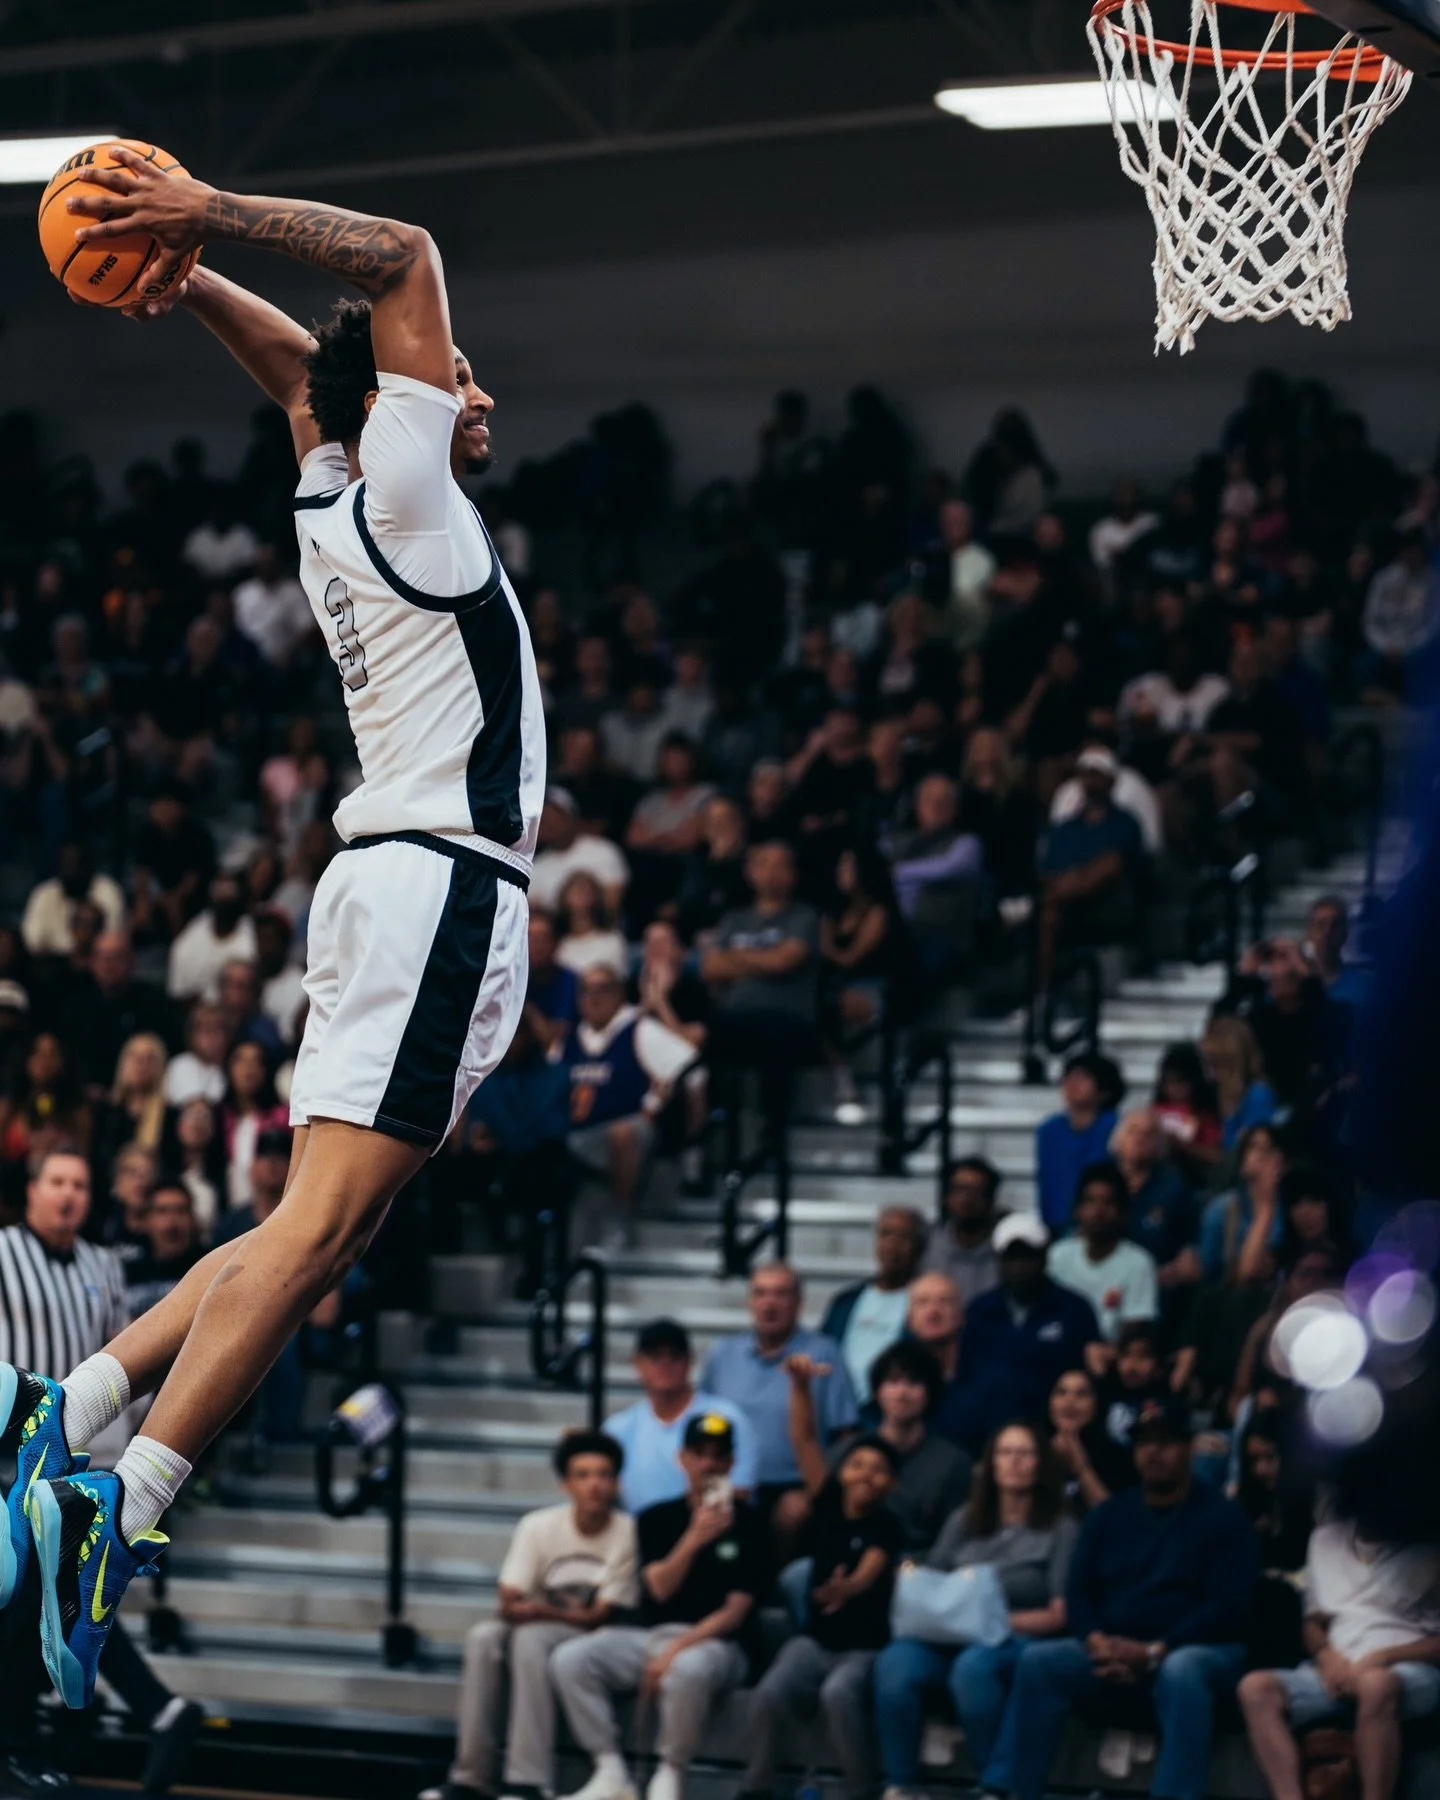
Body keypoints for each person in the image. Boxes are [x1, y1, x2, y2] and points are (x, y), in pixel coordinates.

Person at [4, 149, 548, 1704]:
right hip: (440, 885)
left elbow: (299, 374)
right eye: (453, 373)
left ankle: (77, 1402)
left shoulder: (335, 485)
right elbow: (404, 252)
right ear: (411, 394)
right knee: (313, 1241)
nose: (476, 385)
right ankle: (121, 1499)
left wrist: (190, 289)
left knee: (320, 1228)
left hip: (390, 880)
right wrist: (206, 218)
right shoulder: (413, 495)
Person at [0, 1150, 204, 1791]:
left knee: (44, 1596)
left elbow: (126, 1352)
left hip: (90, 1454)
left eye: (80, 1184)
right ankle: (153, 1709)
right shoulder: (3, 1251)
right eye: (56, 1182)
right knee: (35, 1597)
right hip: (12, 1454)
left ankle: (25, 1744)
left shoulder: (103, 1264)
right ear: (32, 1191)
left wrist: (141, 1447)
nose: (68, 1195)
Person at [986, 1396, 1259, 1800]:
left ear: (1188, 1447)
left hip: (1194, 1649)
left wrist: (1154, 1651)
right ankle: (1010, 1790)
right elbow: (1078, 1592)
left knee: (1183, 1670)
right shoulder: (1110, 1514)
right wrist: (1095, 1640)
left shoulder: (1222, 1517)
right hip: (1112, 1649)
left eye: (1166, 1441)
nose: (1154, 1451)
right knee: (1040, 1661)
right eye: (1144, 1442)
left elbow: (1228, 1606)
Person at [552, 1414, 763, 1800]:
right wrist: (694, 1538)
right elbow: (658, 1589)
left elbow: (735, 1611)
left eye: (718, 1456)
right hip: (653, 1633)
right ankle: (610, 1769)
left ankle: (670, 1772)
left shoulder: (750, 1523)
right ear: (682, 1459)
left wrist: (674, 1651)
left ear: (732, 1464)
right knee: (572, 1658)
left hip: (719, 1643)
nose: (709, 1464)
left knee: (687, 1668)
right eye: (699, 1454)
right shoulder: (655, 1518)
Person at [422, 1431, 639, 1800]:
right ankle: (470, 1777)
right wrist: (520, 1607)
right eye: (583, 1475)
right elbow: (508, 1599)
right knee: (483, 1637)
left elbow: (598, 1617)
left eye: (603, 1475)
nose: (594, 1485)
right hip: (541, 1621)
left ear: (617, 1482)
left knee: (529, 1639)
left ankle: (528, 1781)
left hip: (589, 1634)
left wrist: (537, 1609)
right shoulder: (537, 1525)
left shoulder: (626, 1531)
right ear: (565, 1484)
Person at [873, 1421, 1078, 1800]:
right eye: (1005, 1452)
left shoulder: (1061, 1528)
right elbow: (933, 1583)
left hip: (1015, 1634)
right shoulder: (965, 1519)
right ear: (991, 1464)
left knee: (973, 1668)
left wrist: (988, 1621)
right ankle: (901, 1783)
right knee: (896, 1662)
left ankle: (996, 1786)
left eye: (1025, 1453)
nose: (1014, 1462)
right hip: (950, 1630)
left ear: (1041, 1464)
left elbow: (1059, 1614)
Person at [737, 1376, 903, 1800]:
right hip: (815, 1640)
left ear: (891, 1484)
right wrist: (798, 1387)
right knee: (769, 1693)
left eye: (879, 1470)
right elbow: (803, 1437)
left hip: (865, 1647)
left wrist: (849, 1587)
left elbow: (873, 1567)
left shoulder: (887, 1526)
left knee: (838, 1694)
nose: (867, 1474)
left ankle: (861, 1789)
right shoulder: (827, 1504)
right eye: (858, 1464)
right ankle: (755, 1788)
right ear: (843, 1471)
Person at [1240, 1515, 1440, 1800]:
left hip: (1409, 1669)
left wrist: (1383, 1657)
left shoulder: (1431, 1544)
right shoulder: (1326, 1537)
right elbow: (1311, 1622)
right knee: (1255, 1689)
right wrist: (1325, 1656)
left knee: (1375, 1684)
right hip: (1336, 1666)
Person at [557, 963, 697, 1247]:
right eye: (586, 990)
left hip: (630, 1130)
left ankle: (619, 1216)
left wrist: (654, 1105)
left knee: (623, 1132)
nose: (593, 997)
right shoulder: (567, 1040)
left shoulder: (639, 1029)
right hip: (576, 1131)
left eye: (603, 989)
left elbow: (689, 1065)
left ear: (620, 993)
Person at [698, 1265, 858, 1507]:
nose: (769, 1304)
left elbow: (845, 1433)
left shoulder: (823, 1353)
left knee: (794, 1510)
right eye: (760, 1293)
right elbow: (701, 1422)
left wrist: (828, 1490)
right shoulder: (722, 1354)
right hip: (731, 1482)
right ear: (749, 1302)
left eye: (780, 1294)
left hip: (798, 1484)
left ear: (798, 1302)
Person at [955, 1215, 1099, 1453]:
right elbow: (967, 1376)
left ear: (1044, 1258)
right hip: (988, 1436)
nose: (1019, 1267)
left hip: (1055, 1438)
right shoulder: (979, 1310)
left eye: (1027, 1257)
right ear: (999, 1261)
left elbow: (1086, 1381)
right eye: (1011, 1258)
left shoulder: (1074, 1309)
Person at [602, 1319, 757, 1513]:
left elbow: (741, 1492)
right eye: (655, 1356)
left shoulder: (727, 1417)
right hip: (642, 1535)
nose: (665, 1364)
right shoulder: (617, 1428)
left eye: (675, 1356)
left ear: (690, 1361)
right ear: (637, 1363)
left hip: (713, 1527)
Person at [1036, 747, 1143, 995]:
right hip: (1064, 906)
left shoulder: (1125, 823)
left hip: (1108, 905)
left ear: (1112, 780)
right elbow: (1048, 871)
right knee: (1048, 915)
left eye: (1098, 775)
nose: (1091, 781)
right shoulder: (1064, 828)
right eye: (1086, 775)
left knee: (1055, 905)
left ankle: (1046, 995)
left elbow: (1112, 866)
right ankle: (1043, 996)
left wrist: (1074, 881)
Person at [1047, 1161, 1160, 1349]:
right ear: (1077, 1210)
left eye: (1108, 1203)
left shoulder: (1139, 1263)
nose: (1098, 1212)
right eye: (1090, 1201)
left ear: (1123, 1213)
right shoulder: (1057, 1256)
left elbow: (1135, 1329)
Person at [821, 1207, 927, 1402]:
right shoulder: (845, 1302)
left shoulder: (925, 1303)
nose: (893, 1245)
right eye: (886, 1234)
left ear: (920, 1248)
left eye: (904, 1237)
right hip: (840, 1412)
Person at [1035, 1052, 1123, 1235]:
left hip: (1102, 1225)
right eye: (1068, 1077)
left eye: (1083, 1078)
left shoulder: (1115, 1127)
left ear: (1103, 1086)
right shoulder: (1049, 1130)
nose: (1072, 1084)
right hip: (1056, 1225)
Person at [165, 870, 259, 1003]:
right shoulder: (187, 942)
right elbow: (178, 994)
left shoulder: (252, 934)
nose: (224, 893)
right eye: (220, 889)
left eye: (229, 890)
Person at [921, 1157, 1003, 1304]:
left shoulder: (1005, 1252)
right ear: (947, 1198)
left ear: (991, 1200)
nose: (967, 1199)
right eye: (960, 1189)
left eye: (976, 1191)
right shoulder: (927, 1246)